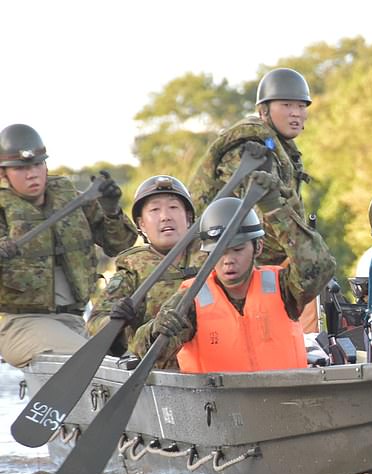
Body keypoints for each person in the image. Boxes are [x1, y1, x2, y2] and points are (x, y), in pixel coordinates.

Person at [129, 172, 337, 372]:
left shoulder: (284, 288)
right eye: (218, 253)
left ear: (258, 247)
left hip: (284, 401)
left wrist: (274, 207)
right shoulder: (191, 299)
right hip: (217, 404)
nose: (228, 260)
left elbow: (320, 267)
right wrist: (156, 330)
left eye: (238, 250)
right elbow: (146, 352)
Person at [0, 124, 138, 368]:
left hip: (74, 321)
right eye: (21, 168)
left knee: (117, 364)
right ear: (3, 174)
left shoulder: (71, 198)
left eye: (37, 165)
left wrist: (111, 209)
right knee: (96, 363)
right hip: (17, 324)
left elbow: (120, 245)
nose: (32, 174)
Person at [189, 68, 313, 266]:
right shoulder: (249, 148)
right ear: (263, 111)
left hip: (253, 259)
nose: (295, 113)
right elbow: (261, 221)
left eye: (301, 106)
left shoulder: (282, 149)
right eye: (286, 105)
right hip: (220, 260)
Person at [86, 175, 203, 363]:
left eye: (173, 207)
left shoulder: (214, 253)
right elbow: (94, 324)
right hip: (158, 371)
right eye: (155, 210)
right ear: (141, 224)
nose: (165, 217)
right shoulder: (133, 267)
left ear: (188, 218)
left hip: (214, 363)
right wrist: (116, 319)